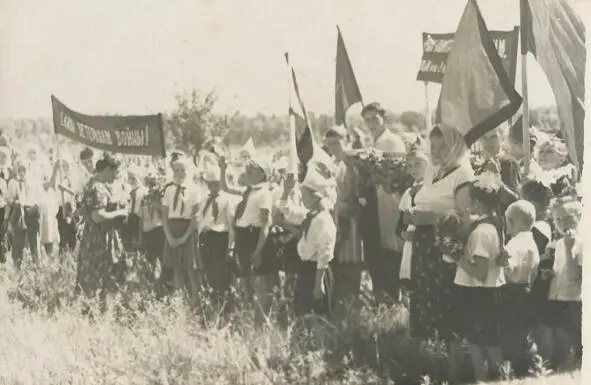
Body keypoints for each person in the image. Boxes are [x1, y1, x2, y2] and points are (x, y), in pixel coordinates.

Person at [409, 123, 474, 343]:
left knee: (442, 303)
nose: (435, 152)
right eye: (432, 146)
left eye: (441, 147)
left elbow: (466, 219)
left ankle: (448, 361)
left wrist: (432, 220)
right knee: (424, 299)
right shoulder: (435, 171)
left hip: (443, 247)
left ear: (455, 147)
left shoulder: (462, 174)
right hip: (423, 246)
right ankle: (428, 359)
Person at [450, 172, 506, 383]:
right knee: (481, 340)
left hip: (479, 293)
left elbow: (480, 272)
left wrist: (457, 257)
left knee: (482, 342)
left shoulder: (482, 231)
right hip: (483, 293)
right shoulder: (492, 225)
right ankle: (487, 378)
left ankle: (489, 378)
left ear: (477, 203)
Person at [359, 102, 407, 303]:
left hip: (390, 201)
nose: (371, 123)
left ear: (383, 118)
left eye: (374, 118)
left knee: (392, 250)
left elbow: (398, 176)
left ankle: (394, 298)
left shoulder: (393, 142)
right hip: (376, 203)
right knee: (379, 251)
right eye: (367, 119)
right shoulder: (374, 142)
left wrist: (377, 177)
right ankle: (383, 297)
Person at [536, 195, 582, 371]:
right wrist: (550, 274)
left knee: (574, 344)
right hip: (559, 297)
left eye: (567, 218)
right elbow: (562, 271)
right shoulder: (561, 243)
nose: (563, 224)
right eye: (558, 220)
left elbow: (574, 275)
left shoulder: (579, 242)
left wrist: (570, 249)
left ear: (579, 216)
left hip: (574, 300)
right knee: (560, 342)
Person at [75, 154, 128, 308]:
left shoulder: (93, 183)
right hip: (100, 238)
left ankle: (94, 310)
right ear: (106, 169)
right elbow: (98, 216)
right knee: (101, 274)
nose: (114, 177)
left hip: (96, 236)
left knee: (95, 275)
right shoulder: (97, 187)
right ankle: (99, 312)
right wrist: (119, 213)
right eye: (114, 172)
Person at [232, 156, 277, 324]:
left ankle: (261, 322)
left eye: (250, 171)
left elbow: (265, 225)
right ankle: (251, 318)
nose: (246, 174)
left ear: (262, 174)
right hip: (243, 237)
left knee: (261, 283)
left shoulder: (264, 193)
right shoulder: (250, 191)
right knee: (247, 281)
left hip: (255, 238)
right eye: (246, 171)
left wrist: (258, 251)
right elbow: (224, 187)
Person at [324, 126, 363, 314]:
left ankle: (352, 309)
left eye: (336, 142)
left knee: (351, 265)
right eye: (329, 143)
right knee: (335, 266)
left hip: (350, 221)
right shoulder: (328, 165)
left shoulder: (352, 164)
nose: (332, 146)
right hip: (332, 220)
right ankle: (338, 310)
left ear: (345, 141)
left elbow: (358, 192)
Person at [293, 161, 337, 316]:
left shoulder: (323, 219)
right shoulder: (310, 216)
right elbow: (288, 211)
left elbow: (325, 252)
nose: (301, 198)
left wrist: (318, 283)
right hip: (306, 269)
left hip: (317, 271)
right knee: (303, 313)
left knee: (318, 314)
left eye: (304, 194)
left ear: (315, 197)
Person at [502, 200, 540, 377]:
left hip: (512, 291)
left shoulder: (514, 244)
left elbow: (509, 270)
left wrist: (500, 263)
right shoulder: (532, 243)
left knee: (511, 333)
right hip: (527, 289)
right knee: (524, 333)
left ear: (511, 222)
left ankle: (517, 370)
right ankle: (528, 366)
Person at [160, 153, 202, 306]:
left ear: (188, 171)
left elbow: (196, 216)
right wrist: (169, 236)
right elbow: (164, 215)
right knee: (176, 267)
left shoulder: (194, 190)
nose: (179, 173)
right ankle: (179, 303)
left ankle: (195, 303)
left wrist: (184, 237)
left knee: (191, 269)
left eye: (182, 170)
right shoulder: (169, 189)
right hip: (172, 229)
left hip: (188, 231)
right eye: (176, 170)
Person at [198, 165, 235, 311]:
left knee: (221, 273)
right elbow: (201, 219)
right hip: (206, 238)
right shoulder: (204, 199)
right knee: (209, 271)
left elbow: (231, 224)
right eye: (210, 183)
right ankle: (213, 304)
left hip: (220, 238)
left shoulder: (226, 199)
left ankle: (225, 305)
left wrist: (230, 245)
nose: (213, 187)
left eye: (216, 183)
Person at [396, 139, 428, 296]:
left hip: (427, 246)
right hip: (411, 246)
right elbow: (399, 227)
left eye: (418, 164)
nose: (413, 169)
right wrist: (404, 234)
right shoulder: (408, 193)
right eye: (410, 166)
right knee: (413, 287)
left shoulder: (432, 190)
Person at [6, 159, 43, 268]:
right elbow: (8, 197)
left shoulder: (34, 182)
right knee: (17, 240)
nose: (22, 172)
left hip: (31, 211)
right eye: (19, 170)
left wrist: (36, 206)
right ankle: (17, 267)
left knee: (34, 240)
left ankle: (37, 265)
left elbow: (41, 198)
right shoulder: (13, 182)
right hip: (18, 212)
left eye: (24, 170)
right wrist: (13, 203)